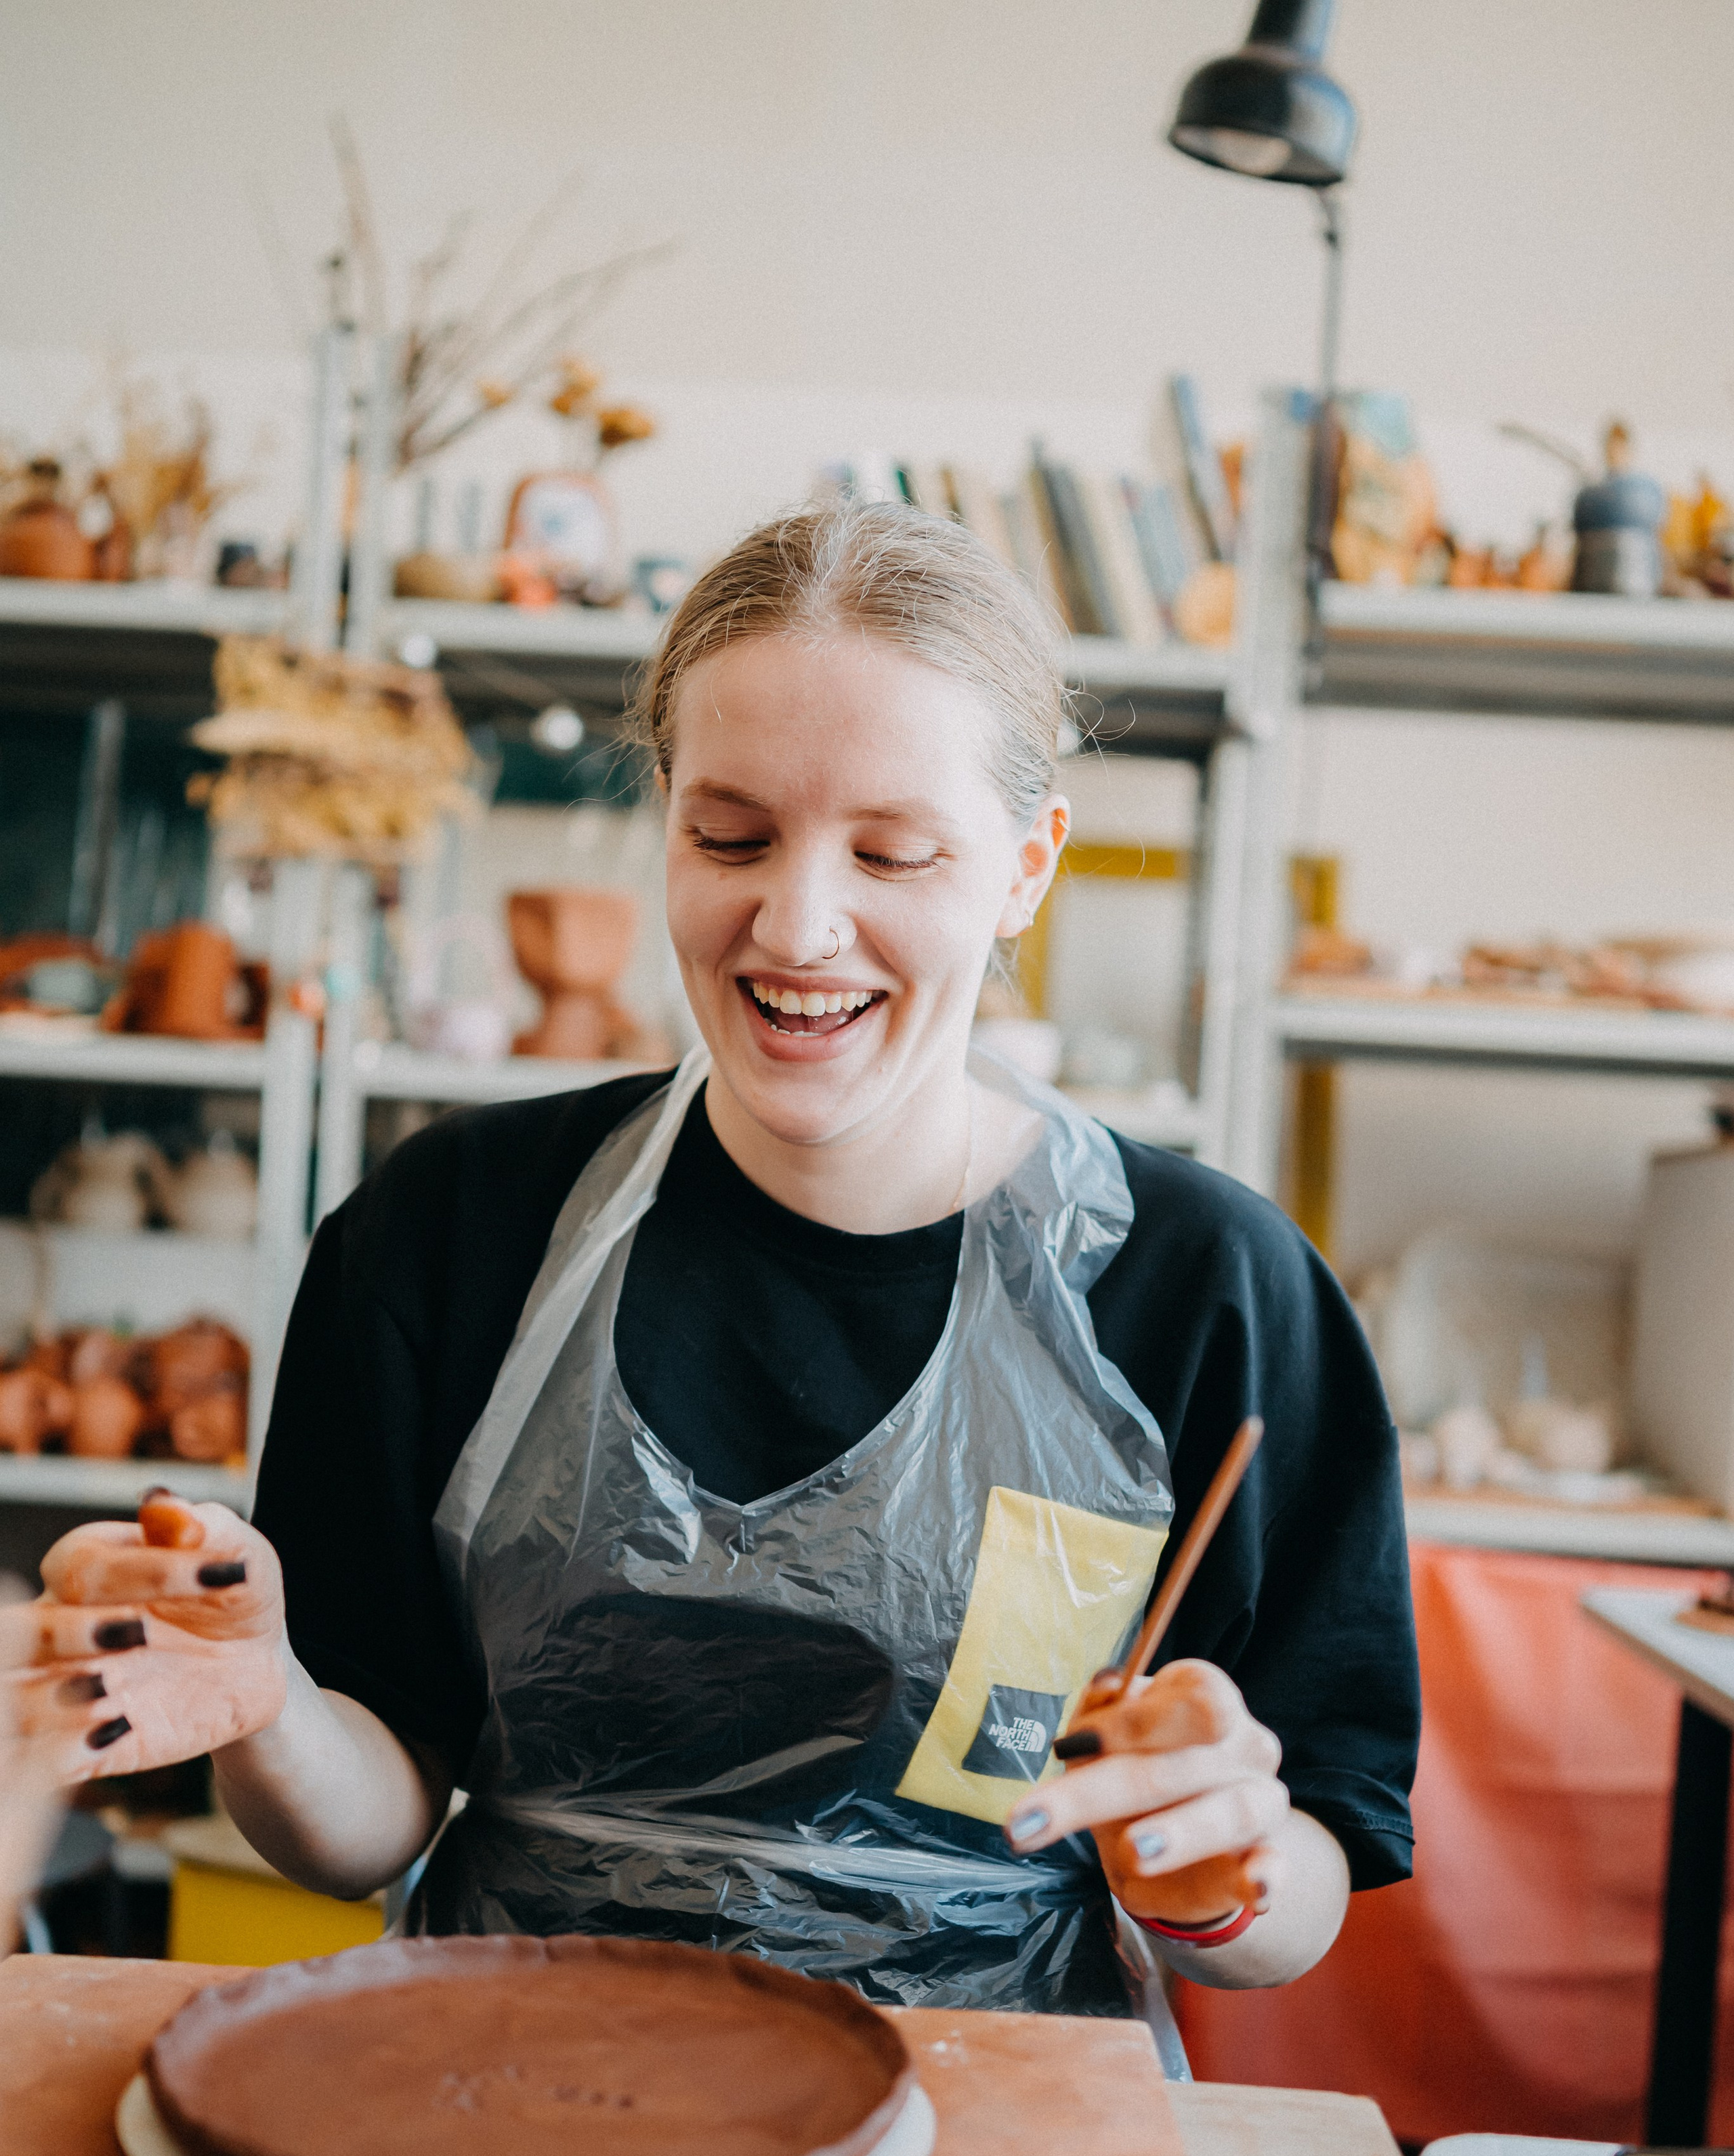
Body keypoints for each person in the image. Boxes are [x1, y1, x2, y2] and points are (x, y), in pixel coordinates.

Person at [9, 501, 1418, 2023]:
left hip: (994, 2121)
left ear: (1025, 865)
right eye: (729, 837)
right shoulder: (449, 1228)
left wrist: (1216, 1861)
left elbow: (1305, 1879)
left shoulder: (1211, 1288)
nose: (798, 925)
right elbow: (369, 1823)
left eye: (892, 851)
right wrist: (270, 1701)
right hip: (512, 2081)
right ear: (665, 813)